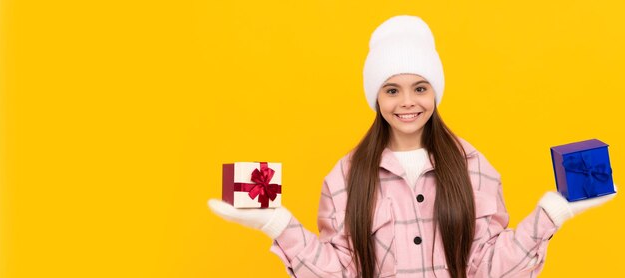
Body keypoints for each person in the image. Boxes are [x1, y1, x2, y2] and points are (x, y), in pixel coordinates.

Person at [208, 15, 617, 278]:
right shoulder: (345, 178)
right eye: (392, 89)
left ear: (435, 92)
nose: (407, 102)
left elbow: (490, 268)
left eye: (420, 88)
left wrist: (553, 214)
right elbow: (340, 273)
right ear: (376, 97)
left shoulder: (474, 168)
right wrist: (275, 224)